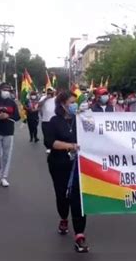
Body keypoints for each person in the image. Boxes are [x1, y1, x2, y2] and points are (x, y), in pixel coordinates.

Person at [44, 91, 89, 253]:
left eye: (75, 102)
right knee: (63, 197)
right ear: (62, 104)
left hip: (79, 166)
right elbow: (50, 142)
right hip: (59, 164)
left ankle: (79, 235)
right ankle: (64, 217)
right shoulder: (54, 122)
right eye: (71, 102)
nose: (74, 105)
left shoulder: (80, 121)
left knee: (78, 199)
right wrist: (70, 146)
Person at [0, 83, 21, 187]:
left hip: (8, 132)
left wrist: (8, 116)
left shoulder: (12, 103)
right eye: (4, 89)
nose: (6, 91)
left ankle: (4, 177)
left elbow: (17, 116)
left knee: (6, 156)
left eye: (8, 89)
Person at [39, 87, 56, 154]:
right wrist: (46, 98)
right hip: (45, 120)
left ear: (53, 92)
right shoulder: (43, 98)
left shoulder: (56, 99)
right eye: (48, 92)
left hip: (54, 120)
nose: (49, 93)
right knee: (46, 135)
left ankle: (53, 146)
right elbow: (39, 105)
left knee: (53, 134)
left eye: (51, 91)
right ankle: (48, 147)